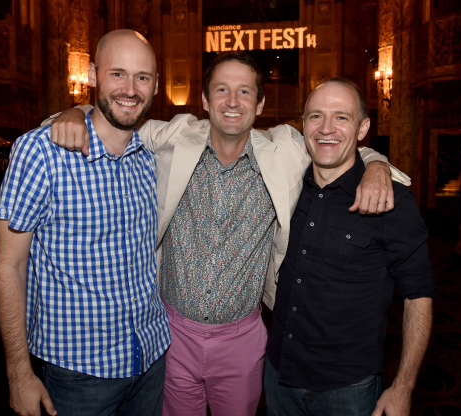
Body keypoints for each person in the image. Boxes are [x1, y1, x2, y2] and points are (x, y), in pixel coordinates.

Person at [46, 52, 410, 416]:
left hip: (243, 340)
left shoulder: (285, 148)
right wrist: (75, 111)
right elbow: (113, 119)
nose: (233, 102)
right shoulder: (176, 134)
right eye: (221, 90)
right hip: (172, 336)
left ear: (261, 103)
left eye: (245, 92)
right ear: (204, 100)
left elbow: (340, 145)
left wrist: (376, 165)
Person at [0, 29, 171, 416]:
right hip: (79, 373)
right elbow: (9, 266)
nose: (131, 89)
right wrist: (19, 373)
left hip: (151, 355)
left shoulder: (148, 158)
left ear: (156, 86)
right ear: (92, 75)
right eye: (117, 74)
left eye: (143, 77)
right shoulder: (40, 152)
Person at [263, 78, 435, 416]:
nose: (326, 128)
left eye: (341, 117)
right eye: (316, 116)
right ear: (303, 124)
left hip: (347, 391)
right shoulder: (285, 186)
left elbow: (419, 295)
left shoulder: (392, 201)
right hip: (278, 375)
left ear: (362, 128)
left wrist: (403, 386)